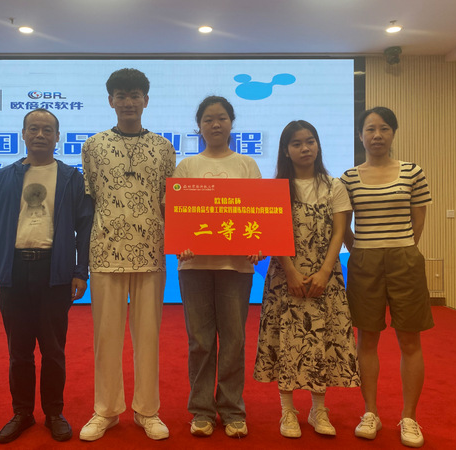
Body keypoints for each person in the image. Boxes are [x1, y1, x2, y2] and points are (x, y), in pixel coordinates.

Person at [0, 108, 93, 444]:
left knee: (54, 350)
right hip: (12, 273)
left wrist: (80, 271)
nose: (40, 135)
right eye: (33, 129)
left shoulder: (71, 178)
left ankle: (54, 413)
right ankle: (22, 413)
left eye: (47, 130)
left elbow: (84, 227)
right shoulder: (3, 178)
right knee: (19, 351)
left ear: (58, 137)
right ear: (23, 134)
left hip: (54, 273)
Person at [78, 68, 176, 441]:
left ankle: (147, 411)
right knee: (106, 338)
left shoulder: (164, 147)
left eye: (135, 95)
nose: (128, 102)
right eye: (121, 95)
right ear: (111, 101)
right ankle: (105, 410)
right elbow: (88, 203)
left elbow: (171, 204)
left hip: (151, 253)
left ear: (146, 100)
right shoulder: (93, 146)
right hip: (105, 252)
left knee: (147, 337)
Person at [254, 120, 360, 439]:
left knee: (322, 339)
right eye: (297, 143)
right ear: (286, 150)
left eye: (310, 141)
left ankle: (318, 409)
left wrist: (325, 271)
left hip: (325, 276)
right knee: (286, 339)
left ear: (318, 145)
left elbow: (340, 232)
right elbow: (273, 232)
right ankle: (287, 410)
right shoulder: (276, 188)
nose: (305, 148)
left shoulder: (334, 185)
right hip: (285, 276)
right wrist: (290, 271)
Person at [341, 107, 433, 448]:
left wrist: (402, 248)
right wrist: (361, 250)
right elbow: (343, 224)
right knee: (367, 340)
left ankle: (409, 417)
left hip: (404, 258)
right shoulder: (349, 178)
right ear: (360, 136)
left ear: (393, 133)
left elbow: (418, 218)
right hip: (364, 260)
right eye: (370, 129)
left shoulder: (412, 172)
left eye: (383, 129)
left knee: (410, 341)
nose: (376, 135)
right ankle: (370, 412)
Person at [174, 95, 263, 439]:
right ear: (199, 125)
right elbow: (177, 214)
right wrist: (180, 239)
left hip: (236, 267)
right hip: (193, 265)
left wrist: (257, 243)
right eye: (208, 119)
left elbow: (258, 213)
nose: (215, 124)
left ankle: (232, 409)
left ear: (231, 123)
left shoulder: (246, 165)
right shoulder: (187, 167)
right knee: (200, 340)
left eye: (222, 118)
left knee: (234, 339)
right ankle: (201, 410)